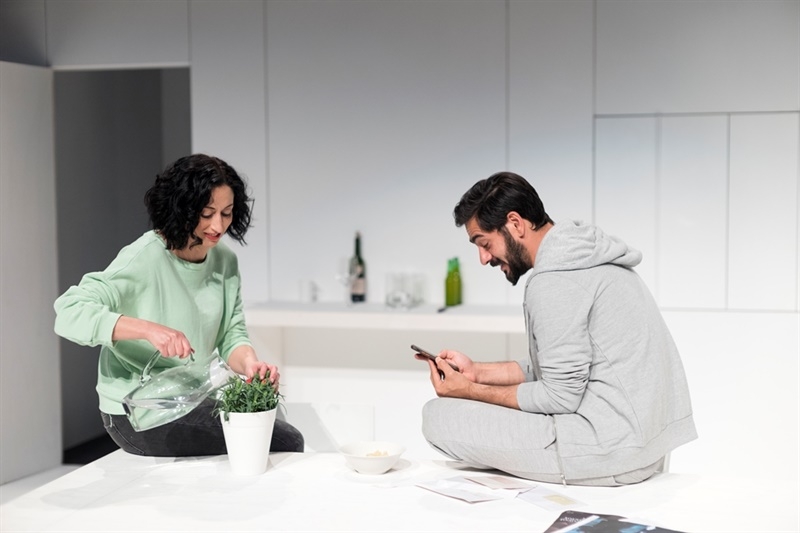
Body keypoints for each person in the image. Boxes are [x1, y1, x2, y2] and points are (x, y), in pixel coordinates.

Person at [418, 171, 697, 486]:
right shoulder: (587, 257)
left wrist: (469, 392)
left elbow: (560, 396)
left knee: (438, 416)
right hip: (641, 445)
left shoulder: (555, 281)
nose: (483, 258)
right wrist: (477, 373)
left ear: (515, 223)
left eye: (484, 243)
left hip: (606, 450)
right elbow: (559, 369)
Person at [54, 154, 304, 457]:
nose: (218, 225)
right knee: (284, 441)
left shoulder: (225, 261)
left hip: (190, 399)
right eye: (207, 213)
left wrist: (251, 365)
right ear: (182, 208)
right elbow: (69, 311)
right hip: (137, 412)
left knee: (271, 424)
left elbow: (231, 334)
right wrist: (149, 330)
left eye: (226, 213)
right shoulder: (144, 258)